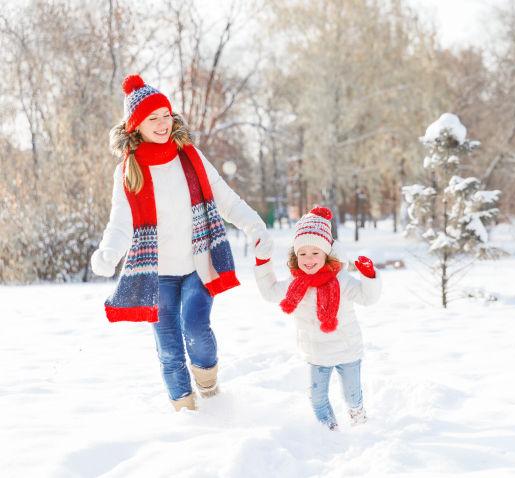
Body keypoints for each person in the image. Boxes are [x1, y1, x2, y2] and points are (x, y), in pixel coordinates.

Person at [91, 74, 272, 411]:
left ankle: (209, 385)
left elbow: (226, 199)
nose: (162, 124)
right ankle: (185, 415)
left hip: (196, 266)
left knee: (196, 327)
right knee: (169, 346)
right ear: (136, 126)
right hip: (156, 273)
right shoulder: (128, 170)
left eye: (166, 116)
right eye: (153, 118)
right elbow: (121, 223)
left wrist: (253, 225)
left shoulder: (189, 156)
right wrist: (108, 253)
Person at [254, 206, 381, 430]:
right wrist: (263, 264)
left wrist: (369, 277)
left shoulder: (342, 281)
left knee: (352, 394)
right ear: (295, 256)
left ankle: (359, 417)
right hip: (317, 353)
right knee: (317, 397)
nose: (309, 259)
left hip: (347, 350)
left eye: (315, 253)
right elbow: (270, 292)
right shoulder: (295, 284)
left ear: (327, 254)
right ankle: (329, 431)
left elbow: (367, 298)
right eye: (302, 254)